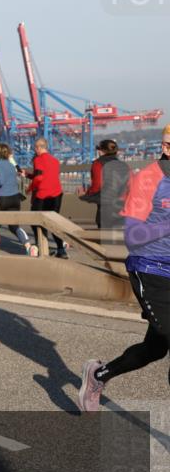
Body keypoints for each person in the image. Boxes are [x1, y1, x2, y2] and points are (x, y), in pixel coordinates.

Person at [78, 127, 170, 412]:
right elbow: (132, 236)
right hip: (151, 268)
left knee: (154, 349)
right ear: (166, 146)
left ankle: (98, 375)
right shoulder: (150, 178)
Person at [0, 144, 37, 256]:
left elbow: (0, 181)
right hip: (15, 198)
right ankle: (28, 247)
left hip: (1, 198)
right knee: (14, 226)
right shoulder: (12, 165)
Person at [26, 137, 67, 258]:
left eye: (35, 148)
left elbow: (39, 178)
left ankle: (44, 248)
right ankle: (61, 249)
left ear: (39, 147)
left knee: (35, 221)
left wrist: (29, 189)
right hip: (57, 194)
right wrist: (28, 175)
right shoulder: (54, 160)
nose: (35, 150)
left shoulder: (38, 159)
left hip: (43, 195)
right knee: (53, 223)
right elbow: (44, 175)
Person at [78, 139, 129, 230]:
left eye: (99, 149)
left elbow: (97, 186)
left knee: (104, 232)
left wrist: (86, 194)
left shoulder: (98, 164)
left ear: (102, 151)